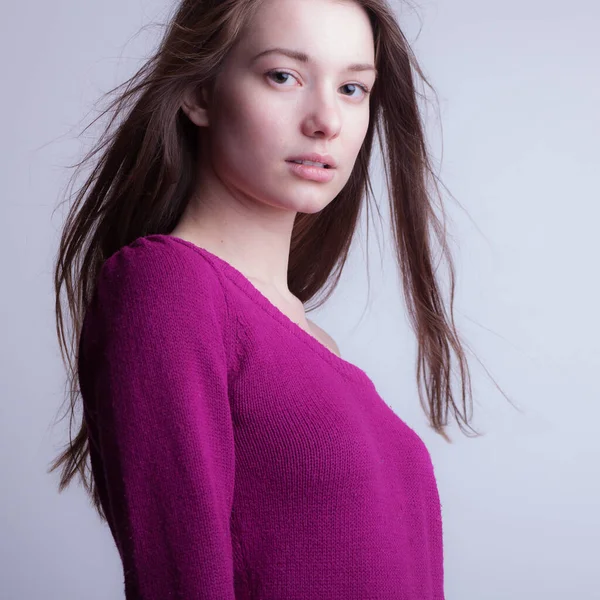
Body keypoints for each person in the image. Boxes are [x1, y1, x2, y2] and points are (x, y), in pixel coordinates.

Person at [49, 0, 509, 597]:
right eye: (283, 76)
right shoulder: (169, 288)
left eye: (351, 87)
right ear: (200, 93)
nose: (326, 120)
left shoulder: (313, 342)